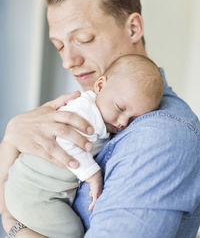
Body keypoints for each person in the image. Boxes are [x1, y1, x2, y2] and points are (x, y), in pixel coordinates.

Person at [0, 0, 200, 238]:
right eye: (59, 46)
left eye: (84, 38)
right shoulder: (85, 110)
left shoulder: (161, 136)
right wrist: (11, 136)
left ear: (133, 28)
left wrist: (13, 222)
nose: (68, 61)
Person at [4, 54, 164, 238]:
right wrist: (93, 174)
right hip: (32, 190)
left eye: (134, 119)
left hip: (43, 192)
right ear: (100, 86)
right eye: (120, 108)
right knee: (70, 232)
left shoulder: (108, 117)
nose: (123, 122)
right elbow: (63, 139)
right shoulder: (85, 111)